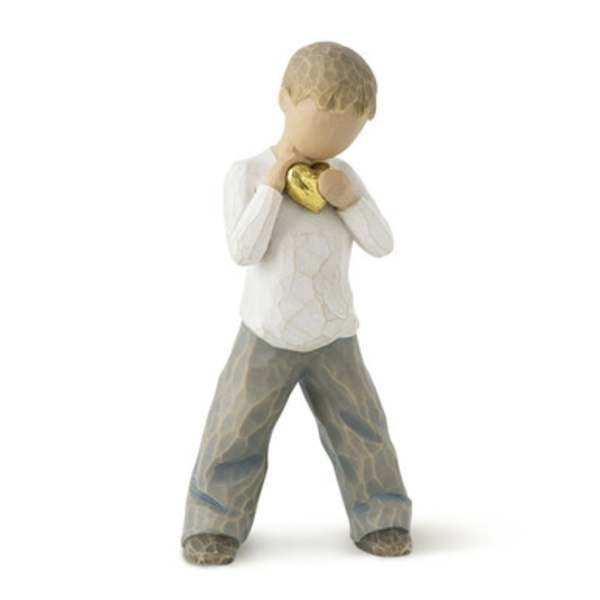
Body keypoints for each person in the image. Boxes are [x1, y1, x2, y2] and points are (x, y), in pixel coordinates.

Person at [182, 41, 412, 565]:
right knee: (235, 429)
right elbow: (244, 250)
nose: (331, 143)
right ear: (284, 98)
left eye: (346, 133)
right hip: (267, 333)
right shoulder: (245, 173)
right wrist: (271, 187)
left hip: (334, 333)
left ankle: (381, 513)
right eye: (321, 127)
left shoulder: (345, 178)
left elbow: (381, 243)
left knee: (362, 429)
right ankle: (214, 521)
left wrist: (349, 200)